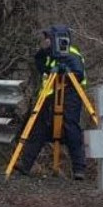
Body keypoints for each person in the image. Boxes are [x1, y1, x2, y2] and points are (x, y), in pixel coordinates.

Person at [15, 28, 87, 180]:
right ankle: (25, 164)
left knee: (70, 128)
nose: (45, 40)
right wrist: (43, 51)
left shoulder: (72, 55)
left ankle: (79, 169)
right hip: (49, 97)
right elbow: (41, 67)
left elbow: (78, 75)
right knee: (38, 128)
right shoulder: (50, 55)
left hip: (70, 96)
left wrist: (64, 74)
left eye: (48, 38)